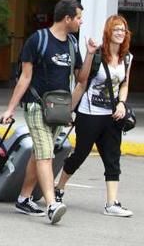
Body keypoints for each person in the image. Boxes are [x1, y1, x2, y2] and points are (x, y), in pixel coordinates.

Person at [0, 0, 88, 224]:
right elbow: (24, 78)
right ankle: (51, 204)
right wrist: (10, 109)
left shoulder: (72, 43)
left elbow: (81, 79)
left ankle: (24, 198)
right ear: (67, 18)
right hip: (36, 105)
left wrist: (90, 54)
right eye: (78, 18)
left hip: (58, 110)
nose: (81, 22)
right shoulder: (37, 40)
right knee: (46, 154)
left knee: (39, 154)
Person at [55, 14, 133, 217]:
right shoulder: (97, 55)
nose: (120, 33)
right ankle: (59, 188)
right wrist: (68, 111)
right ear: (108, 32)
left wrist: (122, 103)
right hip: (89, 114)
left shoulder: (127, 57)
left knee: (113, 157)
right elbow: (81, 82)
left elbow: (124, 84)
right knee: (80, 154)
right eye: (116, 29)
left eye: (123, 30)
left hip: (112, 116)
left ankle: (111, 203)